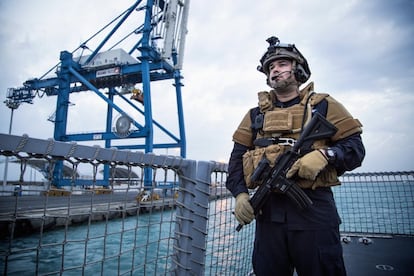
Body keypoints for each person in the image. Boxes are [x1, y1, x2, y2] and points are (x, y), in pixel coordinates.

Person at [226, 36, 365, 276]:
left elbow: (355, 148)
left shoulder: (323, 105)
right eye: (271, 67)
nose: (275, 70)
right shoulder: (254, 116)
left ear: (297, 68)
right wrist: (239, 194)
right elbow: (236, 160)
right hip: (269, 215)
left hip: (314, 213)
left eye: (281, 64)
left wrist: (326, 154)